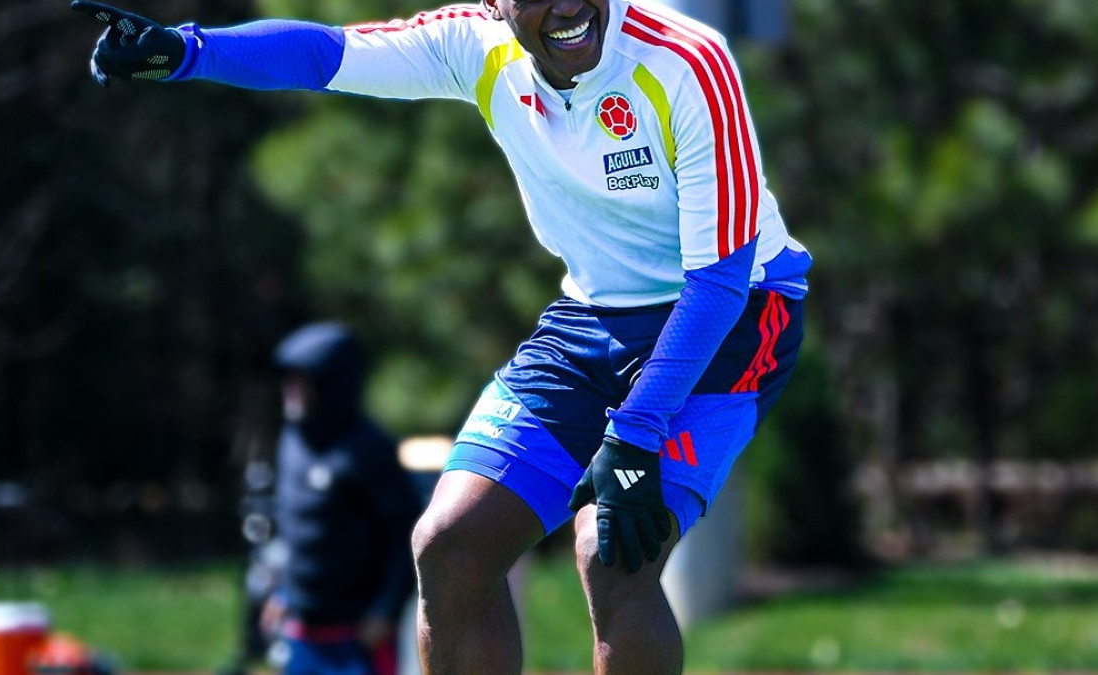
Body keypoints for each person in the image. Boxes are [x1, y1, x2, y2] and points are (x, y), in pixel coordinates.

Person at [71, 1, 813, 673]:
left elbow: (717, 281)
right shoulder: (472, 45)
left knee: (610, 550)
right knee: (449, 545)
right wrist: (187, 50)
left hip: (734, 316)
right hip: (591, 317)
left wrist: (637, 433)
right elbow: (325, 55)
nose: (568, 6)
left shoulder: (686, 59)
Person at [262, 322, 422, 675]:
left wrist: (386, 611)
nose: (289, 390)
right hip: (300, 632)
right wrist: (280, 592)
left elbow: (404, 537)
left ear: (331, 382)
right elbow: (290, 526)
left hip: (357, 637)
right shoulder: (292, 440)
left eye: (300, 379)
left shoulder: (368, 449)